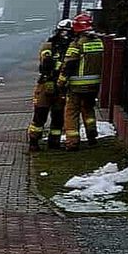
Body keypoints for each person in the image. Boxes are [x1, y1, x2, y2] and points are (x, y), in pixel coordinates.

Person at [60, 12, 105, 150]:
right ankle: (92, 135)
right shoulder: (98, 42)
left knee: (71, 112)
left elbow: (69, 64)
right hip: (94, 85)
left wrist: (61, 81)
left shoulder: (77, 44)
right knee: (88, 110)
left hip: (77, 86)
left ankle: (72, 142)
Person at [28, 21, 71, 151]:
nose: (66, 35)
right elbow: (45, 62)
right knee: (40, 115)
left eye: (68, 32)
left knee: (58, 117)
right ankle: (33, 142)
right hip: (46, 85)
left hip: (61, 87)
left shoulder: (71, 47)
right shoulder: (48, 45)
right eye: (64, 31)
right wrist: (49, 78)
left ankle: (54, 142)